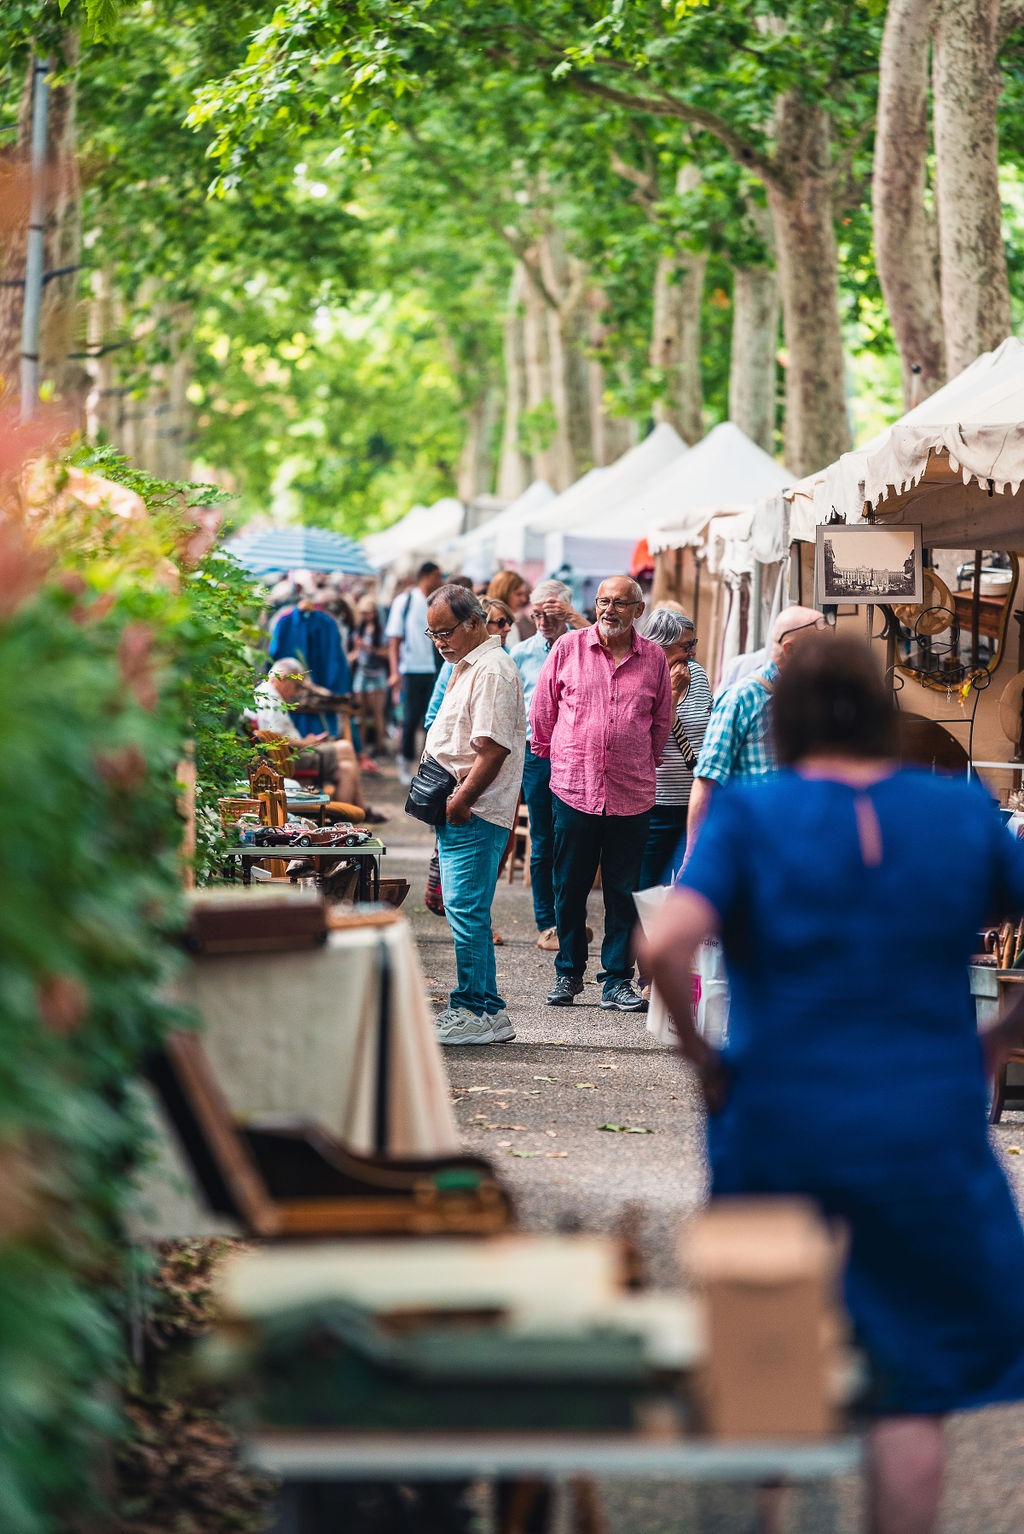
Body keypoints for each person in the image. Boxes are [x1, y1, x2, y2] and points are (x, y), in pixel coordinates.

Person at [642, 634, 1024, 1534]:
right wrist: (999, 1036)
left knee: (769, 1360)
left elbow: (661, 943)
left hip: (779, 1118)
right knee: (913, 1383)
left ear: (784, 718)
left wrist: (703, 1060)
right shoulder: (958, 812)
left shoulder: (754, 815)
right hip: (924, 1124)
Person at [530, 574, 672, 1011]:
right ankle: (568, 973)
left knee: (623, 890)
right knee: (569, 886)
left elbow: (661, 721)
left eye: (620, 603)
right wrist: (558, 757)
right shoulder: (567, 648)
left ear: (638, 610)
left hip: (631, 791)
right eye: (603, 602)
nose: (609, 610)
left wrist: (640, 760)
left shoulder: (654, 658)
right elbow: (543, 711)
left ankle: (615, 980)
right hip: (575, 786)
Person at [421, 586, 526, 1046]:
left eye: (445, 632)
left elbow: (493, 749)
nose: (439, 642)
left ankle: (474, 1009)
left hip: (475, 810)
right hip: (463, 806)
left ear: (473, 622)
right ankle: (485, 1008)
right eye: (432, 634)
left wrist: (461, 801)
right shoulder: (469, 664)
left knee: (465, 910)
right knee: (467, 910)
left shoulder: (492, 670)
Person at [686, 604, 827, 845]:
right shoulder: (740, 699)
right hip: (753, 843)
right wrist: (693, 853)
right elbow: (706, 781)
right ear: (790, 649)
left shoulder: (816, 698)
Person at [508, 579, 575, 950]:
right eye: (537, 614)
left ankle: (568, 919)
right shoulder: (521, 653)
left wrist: (574, 618)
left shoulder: (580, 645)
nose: (543, 621)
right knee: (543, 837)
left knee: (572, 836)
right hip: (535, 753)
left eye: (551, 613)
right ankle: (547, 922)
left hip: (574, 754)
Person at [638, 608, 712, 887]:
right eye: (685, 646)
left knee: (689, 887)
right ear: (660, 646)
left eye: (693, 644)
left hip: (693, 805)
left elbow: (706, 726)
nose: (692, 653)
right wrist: (673, 693)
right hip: (653, 806)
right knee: (648, 890)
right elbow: (644, 739)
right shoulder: (641, 679)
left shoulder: (697, 675)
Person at [253, 658, 365, 809]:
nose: (296, 692)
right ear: (283, 678)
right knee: (346, 747)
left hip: (288, 754)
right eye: (297, 686)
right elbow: (275, 738)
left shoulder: (267, 693)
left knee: (347, 769)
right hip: (286, 759)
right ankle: (358, 810)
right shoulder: (270, 698)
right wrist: (306, 743)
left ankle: (349, 814)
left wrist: (307, 742)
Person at [386, 561, 444, 783]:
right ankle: (405, 759)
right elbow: (394, 640)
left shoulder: (438, 602)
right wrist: (394, 671)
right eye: (437, 576)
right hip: (411, 668)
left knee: (433, 719)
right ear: (427, 576)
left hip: (434, 668)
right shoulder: (405, 601)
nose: (439, 581)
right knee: (410, 718)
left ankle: (427, 765)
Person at [350, 595, 390, 761]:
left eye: (368, 612)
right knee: (361, 713)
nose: (366, 615)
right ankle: (362, 748)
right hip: (362, 672)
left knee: (377, 713)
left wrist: (368, 648)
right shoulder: (359, 630)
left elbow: (386, 652)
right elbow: (356, 652)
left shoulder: (381, 630)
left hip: (377, 673)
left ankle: (379, 747)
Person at [487, 569, 534, 643]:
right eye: (518, 594)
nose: (524, 599)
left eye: (524, 594)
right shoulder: (486, 621)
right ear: (504, 593)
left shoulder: (513, 620)